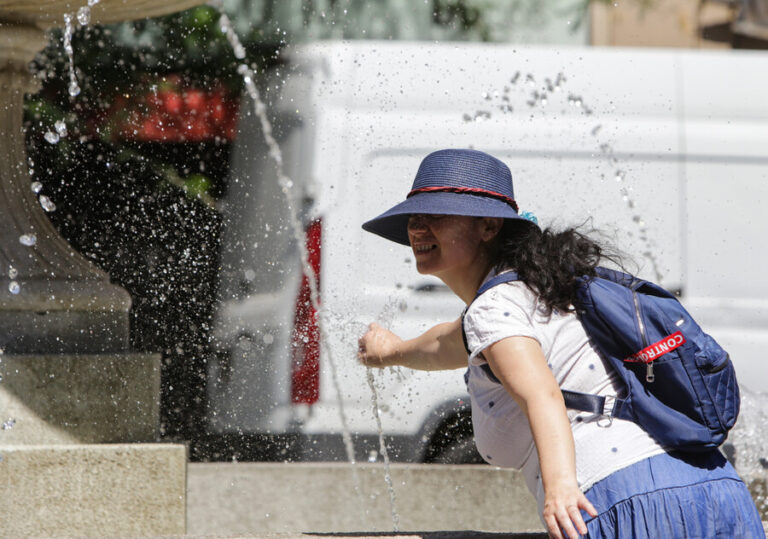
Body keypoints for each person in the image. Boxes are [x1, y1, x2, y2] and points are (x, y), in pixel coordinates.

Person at [357, 148, 764, 538]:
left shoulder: (494, 308)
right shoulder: (542, 289)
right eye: (414, 216)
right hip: (715, 490)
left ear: (489, 226)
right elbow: (450, 341)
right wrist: (390, 351)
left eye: (438, 215)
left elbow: (542, 395)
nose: (417, 227)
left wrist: (560, 489)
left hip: (626, 499)